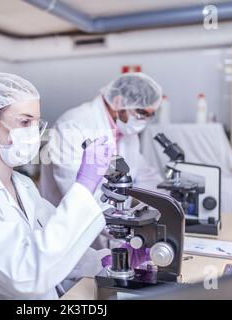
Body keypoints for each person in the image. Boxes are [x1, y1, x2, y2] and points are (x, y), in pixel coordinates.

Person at [0, 73, 112, 299]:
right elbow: (25, 273)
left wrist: (105, 261)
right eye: (25, 122)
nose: (34, 133)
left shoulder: (23, 185)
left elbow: (52, 246)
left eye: (37, 123)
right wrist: (84, 186)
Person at [39, 72, 163, 249]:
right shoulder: (73, 125)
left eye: (150, 115)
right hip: (70, 235)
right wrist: (123, 228)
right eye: (141, 112)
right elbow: (75, 192)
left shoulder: (127, 132)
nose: (143, 121)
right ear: (119, 102)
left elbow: (143, 173)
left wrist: (168, 201)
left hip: (112, 231)